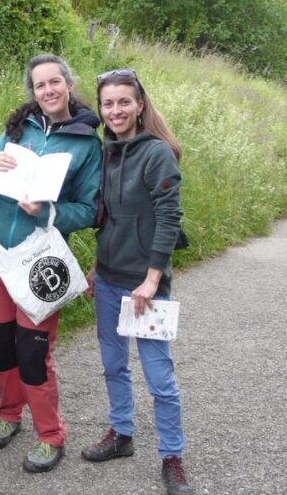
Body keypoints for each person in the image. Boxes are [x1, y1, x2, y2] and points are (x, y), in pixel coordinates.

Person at [0, 53, 102, 473]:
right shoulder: (17, 128)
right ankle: (9, 415)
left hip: (39, 261)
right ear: (34, 91)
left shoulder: (87, 142)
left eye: (55, 82)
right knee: (1, 344)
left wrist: (48, 213)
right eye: (40, 85)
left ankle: (50, 435)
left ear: (68, 84)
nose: (48, 90)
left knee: (32, 350)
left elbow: (91, 209)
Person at [80, 68, 194, 495]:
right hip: (108, 280)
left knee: (158, 376)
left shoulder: (157, 153)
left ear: (139, 105)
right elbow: (110, 219)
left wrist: (150, 279)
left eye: (123, 102)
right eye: (108, 103)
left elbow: (169, 218)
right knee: (113, 364)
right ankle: (121, 434)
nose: (115, 111)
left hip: (146, 286)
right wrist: (96, 264)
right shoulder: (107, 151)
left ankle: (172, 457)